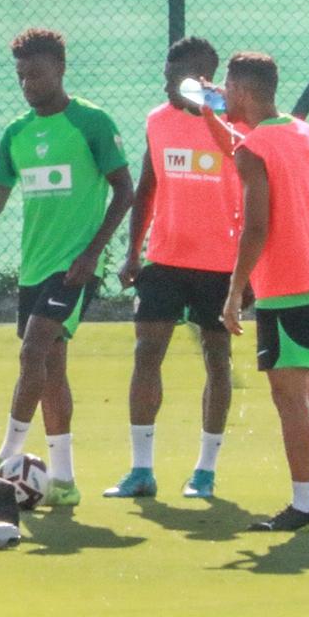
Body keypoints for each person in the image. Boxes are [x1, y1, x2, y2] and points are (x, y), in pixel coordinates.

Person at [0, 28, 133, 507]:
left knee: (32, 353)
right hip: (35, 267)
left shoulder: (91, 122)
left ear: (61, 69)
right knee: (50, 367)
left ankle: (5, 456)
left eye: (37, 73)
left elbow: (124, 190)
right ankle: (64, 479)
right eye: (21, 75)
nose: (28, 82)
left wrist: (93, 253)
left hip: (74, 267)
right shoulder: (17, 133)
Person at [217, 51, 309, 533]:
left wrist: (234, 292)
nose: (224, 94)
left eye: (228, 87)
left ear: (242, 91)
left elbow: (257, 225)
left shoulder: (252, 149)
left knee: (289, 396)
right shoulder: (301, 130)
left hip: (287, 285)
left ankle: (303, 503)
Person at [109, 36, 241, 501]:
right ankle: (141, 469)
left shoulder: (234, 121)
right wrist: (133, 252)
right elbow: (147, 187)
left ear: (206, 77)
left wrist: (249, 271)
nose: (168, 86)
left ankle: (205, 470)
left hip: (221, 263)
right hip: (164, 258)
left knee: (217, 358)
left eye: (178, 78)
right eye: (165, 77)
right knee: (146, 352)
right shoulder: (157, 121)